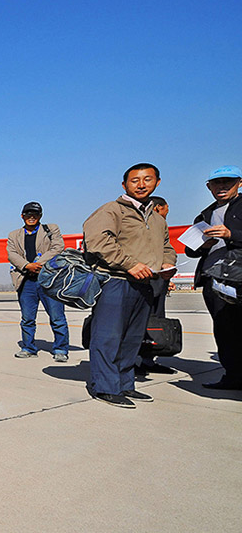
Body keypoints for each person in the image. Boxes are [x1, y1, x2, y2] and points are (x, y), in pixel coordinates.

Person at [83, 163, 176, 408]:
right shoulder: (112, 210)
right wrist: (129, 263)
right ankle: (104, 387)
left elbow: (166, 245)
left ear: (157, 182)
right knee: (107, 337)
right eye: (135, 180)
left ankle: (125, 384)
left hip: (146, 284)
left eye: (147, 179)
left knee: (132, 339)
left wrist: (167, 262)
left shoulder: (157, 219)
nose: (141, 184)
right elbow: (97, 241)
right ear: (124, 185)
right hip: (116, 281)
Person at [184, 165, 242, 390]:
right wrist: (202, 245)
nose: (222, 186)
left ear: (239, 182)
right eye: (217, 183)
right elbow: (190, 249)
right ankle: (233, 376)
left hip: (239, 277)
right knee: (224, 328)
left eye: (228, 181)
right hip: (215, 279)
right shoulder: (205, 214)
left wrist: (231, 235)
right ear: (209, 186)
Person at [6, 201, 69, 361]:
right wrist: (28, 265)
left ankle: (61, 349)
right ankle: (28, 347)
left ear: (40, 216)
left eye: (35, 214)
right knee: (27, 318)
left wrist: (38, 264)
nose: (31, 217)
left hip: (49, 279)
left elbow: (57, 248)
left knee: (57, 317)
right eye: (28, 214)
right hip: (26, 281)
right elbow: (12, 254)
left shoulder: (51, 229)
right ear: (22, 216)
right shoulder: (14, 235)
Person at [136, 196, 176, 377]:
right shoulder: (144, 225)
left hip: (159, 279)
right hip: (145, 278)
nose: (167, 212)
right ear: (158, 208)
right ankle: (135, 360)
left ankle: (147, 360)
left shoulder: (160, 226)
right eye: (167, 208)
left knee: (156, 319)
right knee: (140, 319)